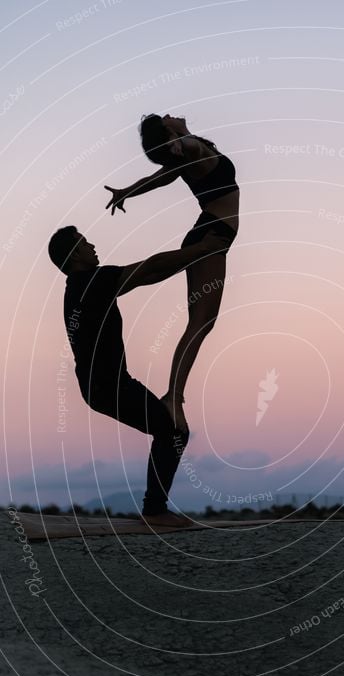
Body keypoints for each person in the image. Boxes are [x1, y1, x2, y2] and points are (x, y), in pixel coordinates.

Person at [48, 225, 230, 528]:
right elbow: (149, 268)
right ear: (75, 254)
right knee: (173, 431)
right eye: (84, 243)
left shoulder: (81, 286)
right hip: (107, 387)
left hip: (105, 386)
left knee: (169, 429)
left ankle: (155, 508)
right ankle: (155, 511)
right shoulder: (90, 281)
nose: (92, 245)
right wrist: (200, 250)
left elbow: (147, 274)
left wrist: (189, 257)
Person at [104, 113, 239, 435]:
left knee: (201, 322)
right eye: (165, 118)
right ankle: (173, 398)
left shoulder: (192, 149)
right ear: (169, 132)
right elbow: (180, 151)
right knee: (201, 323)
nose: (170, 114)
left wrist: (127, 190)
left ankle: (114, 284)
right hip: (211, 236)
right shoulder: (191, 147)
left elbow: (163, 177)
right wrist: (177, 143)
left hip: (212, 234)